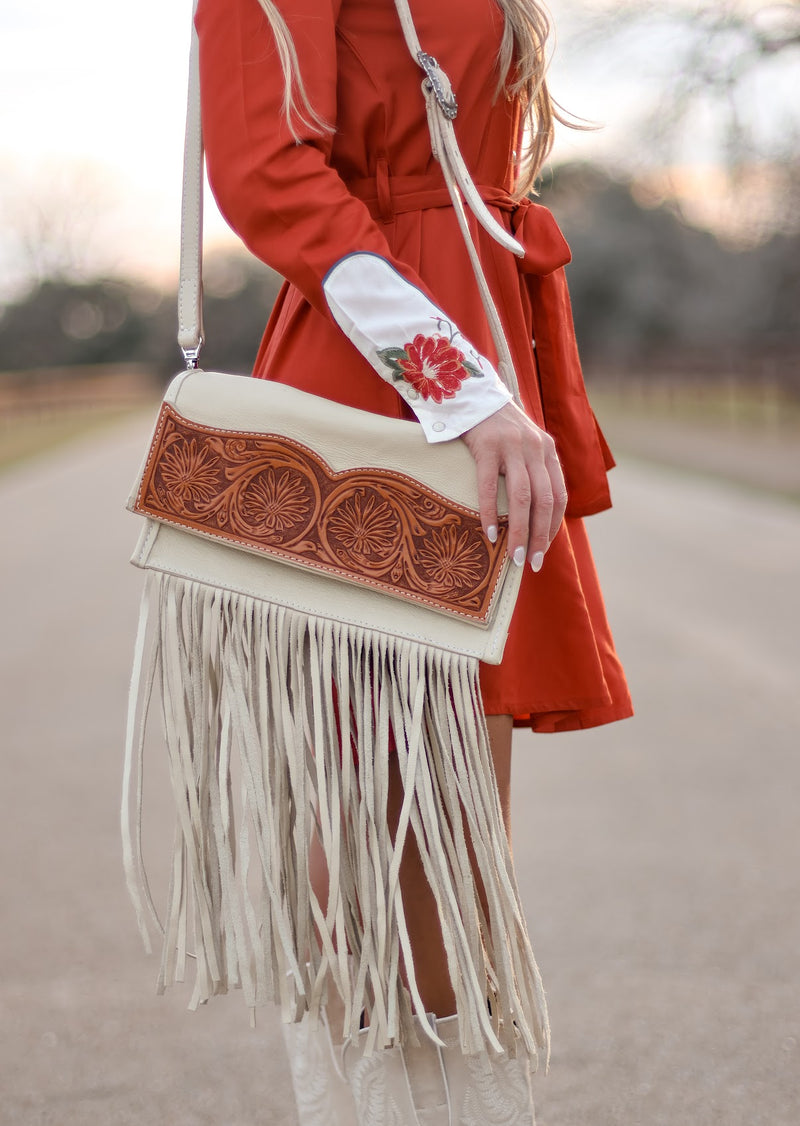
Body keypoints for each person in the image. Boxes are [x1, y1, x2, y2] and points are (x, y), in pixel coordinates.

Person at [193, 0, 632, 1121]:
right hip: (390, 398)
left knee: (458, 843)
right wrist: (454, 382)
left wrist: (487, 383)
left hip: (483, 375)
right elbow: (262, 167)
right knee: (388, 839)